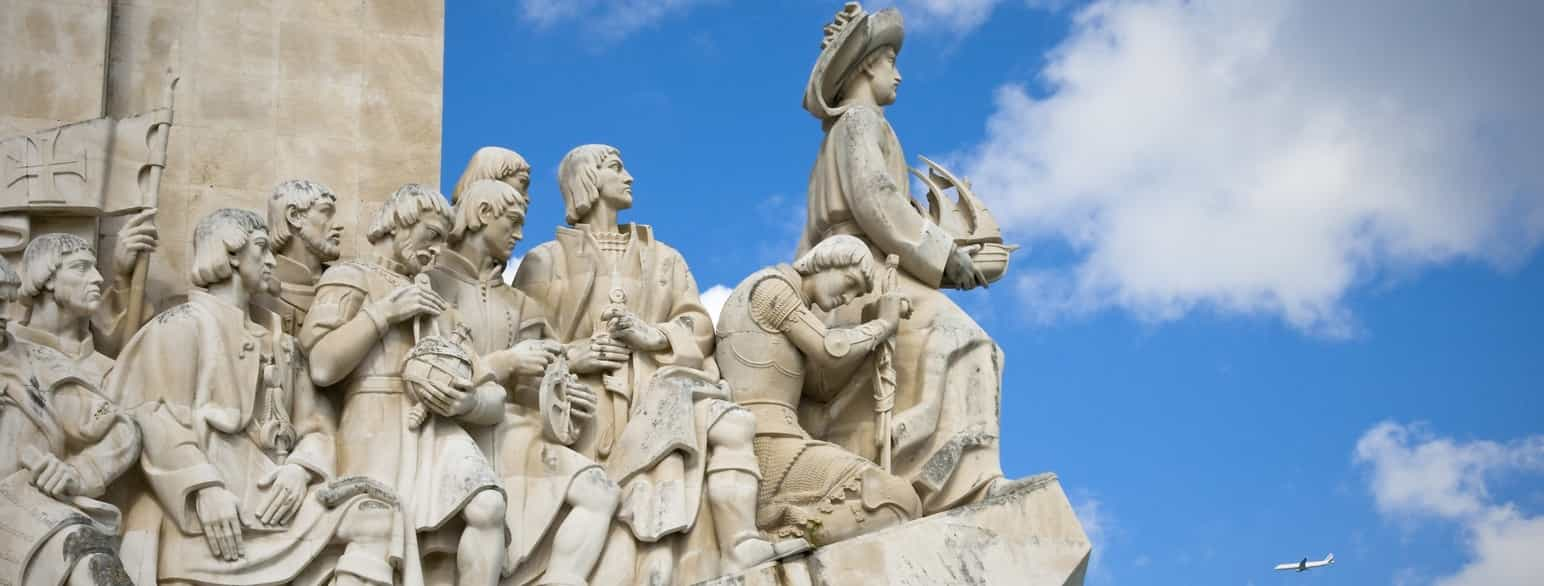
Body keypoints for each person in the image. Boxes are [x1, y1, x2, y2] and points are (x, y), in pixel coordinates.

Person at [515, 145, 804, 584]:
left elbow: (698, 324)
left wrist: (655, 335)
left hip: (664, 387)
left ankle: (741, 543)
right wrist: (576, 356)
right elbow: (522, 345)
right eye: (616, 168)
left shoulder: (664, 257)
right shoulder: (544, 260)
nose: (629, 177)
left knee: (733, 426)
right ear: (588, 180)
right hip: (587, 408)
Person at [798, 2, 1030, 514]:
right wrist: (944, 257)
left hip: (862, 266)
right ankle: (963, 486)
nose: (898, 76)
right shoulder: (860, 122)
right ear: (866, 67)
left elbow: (880, 210)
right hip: (861, 272)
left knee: (964, 348)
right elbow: (876, 201)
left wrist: (950, 246)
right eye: (890, 63)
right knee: (969, 342)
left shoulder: (854, 130)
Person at [108, 208, 400, 585]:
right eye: (260, 248)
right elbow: (155, 419)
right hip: (213, 503)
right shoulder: (180, 326)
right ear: (229, 254)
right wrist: (204, 489)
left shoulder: (284, 344)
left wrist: (301, 469)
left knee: (376, 519)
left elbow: (317, 426)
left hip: (277, 496)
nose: (271, 260)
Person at [301, 184, 509, 586]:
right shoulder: (350, 276)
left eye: (441, 241)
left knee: (488, 505)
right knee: (379, 541)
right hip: (374, 422)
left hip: (437, 427)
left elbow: (488, 387)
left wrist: (468, 403)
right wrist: (384, 313)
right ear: (399, 223)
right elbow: (323, 366)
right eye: (429, 236)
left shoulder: (441, 307)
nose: (434, 250)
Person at [433, 157, 618, 586]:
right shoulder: (430, 284)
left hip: (514, 430)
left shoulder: (521, 305)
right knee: (486, 514)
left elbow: (540, 375)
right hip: (455, 429)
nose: (520, 234)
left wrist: (563, 393)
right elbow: (429, 371)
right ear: (481, 215)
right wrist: (508, 363)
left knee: (599, 492)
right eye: (513, 222)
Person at [715, 235, 921, 545]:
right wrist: (883, 325)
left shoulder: (795, 311)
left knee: (900, 503)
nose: (849, 298)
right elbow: (830, 349)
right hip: (765, 442)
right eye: (850, 282)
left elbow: (821, 387)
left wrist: (869, 322)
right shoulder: (771, 288)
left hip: (783, 440)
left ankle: (787, 537)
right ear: (827, 261)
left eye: (858, 294)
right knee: (897, 501)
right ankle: (782, 540)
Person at [0, 253, 141, 586]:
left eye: (7, 300)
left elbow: (123, 431)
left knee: (91, 560)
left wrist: (78, 472)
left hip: (20, 510)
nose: (4, 314)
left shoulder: (36, 363)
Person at [259, 179, 345, 335]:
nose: (338, 225)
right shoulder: (258, 290)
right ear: (294, 216)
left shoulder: (343, 286)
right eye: (326, 212)